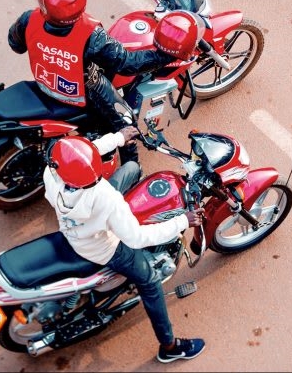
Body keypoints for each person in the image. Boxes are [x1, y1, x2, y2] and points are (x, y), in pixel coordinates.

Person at [43, 128, 206, 363]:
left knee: (131, 169)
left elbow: (86, 154)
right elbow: (136, 238)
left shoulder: (52, 173)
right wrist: (182, 221)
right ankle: (169, 347)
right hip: (104, 249)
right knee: (149, 281)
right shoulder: (106, 197)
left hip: (75, 228)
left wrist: (119, 137)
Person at [9, 0, 198, 165]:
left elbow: (15, 45)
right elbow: (126, 63)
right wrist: (165, 55)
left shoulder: (29, 19)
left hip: (46, 81)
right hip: (86, 88)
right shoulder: (90, 34)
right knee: (127, 125)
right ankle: (132, 171)